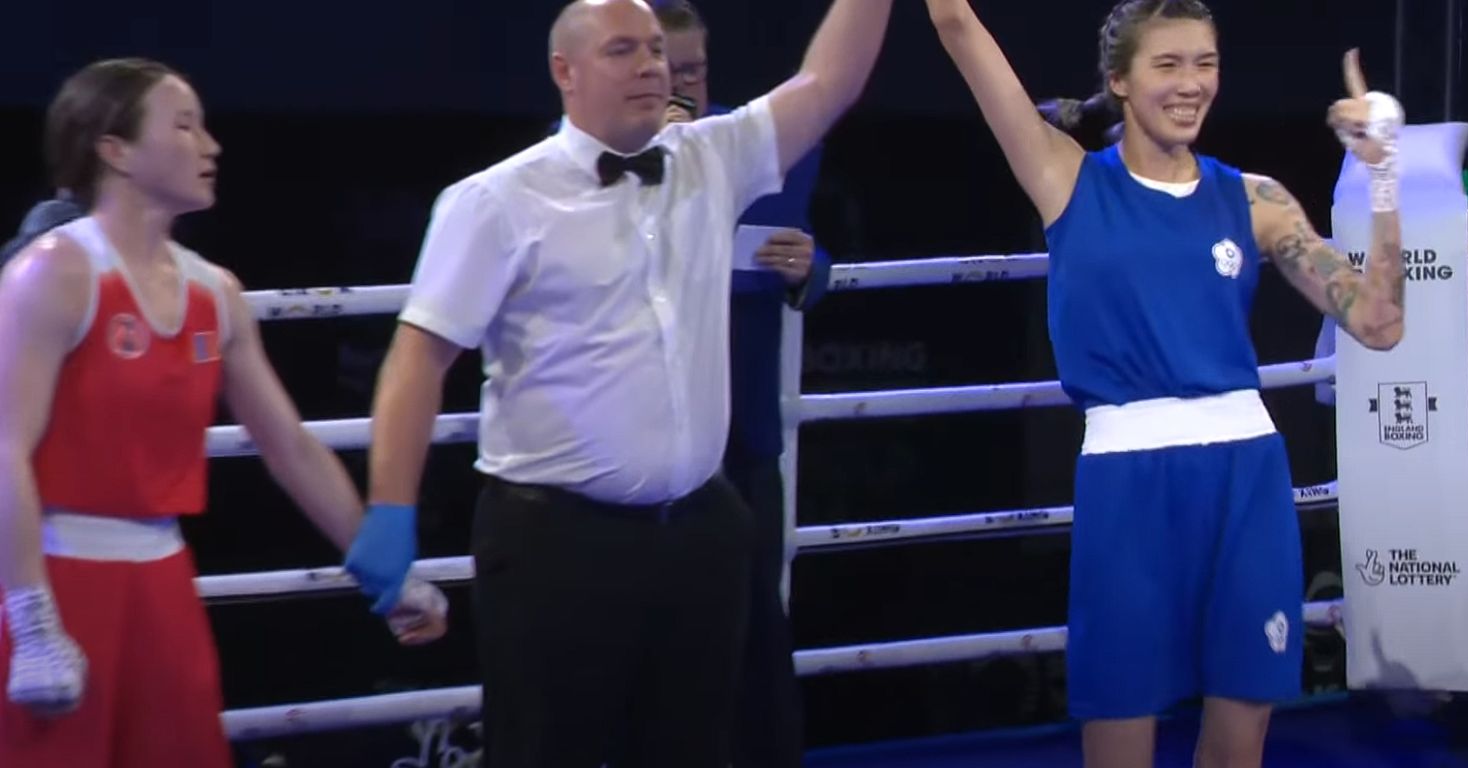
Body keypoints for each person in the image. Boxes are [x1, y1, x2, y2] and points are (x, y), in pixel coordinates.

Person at [362, 0, 891, 764]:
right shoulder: (496, 200)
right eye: (622, 50)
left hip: (699, 535)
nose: (650, 66)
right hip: (556, 545)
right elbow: (418, 357)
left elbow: (829, 81)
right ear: (565, 71)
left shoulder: (713, 158)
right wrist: (389, 511)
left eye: (655, 50)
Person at [923, 1, 1407, 766]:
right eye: (1169, 64)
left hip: (1246, 478)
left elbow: (1379, 323)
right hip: (1128, 483)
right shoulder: (1065, 176)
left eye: (1205, 64)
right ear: (1119, 79)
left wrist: (1383, 175)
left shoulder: (1255, 199)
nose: (1191, 84)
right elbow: (956, 23)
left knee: (1238, 750)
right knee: (1119, 740)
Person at [0, 58, 447, 768]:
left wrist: (384, 574)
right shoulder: (53, 271)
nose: (211, 146)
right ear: (115, 150)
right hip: (52, 575)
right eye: (184, 126)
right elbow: (5, 448)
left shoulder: (216, 292)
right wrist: (30, 618)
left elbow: (289, 447)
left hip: (162, 580)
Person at [653, 2, 830, 765]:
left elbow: (802, 251)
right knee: (652, 649)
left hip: (742, 442)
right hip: (639, 454)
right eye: (669, 72)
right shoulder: (589, 164)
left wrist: (808, 267)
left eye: (694, 71)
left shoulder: (750, 145)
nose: (684, 88)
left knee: (757, 637)